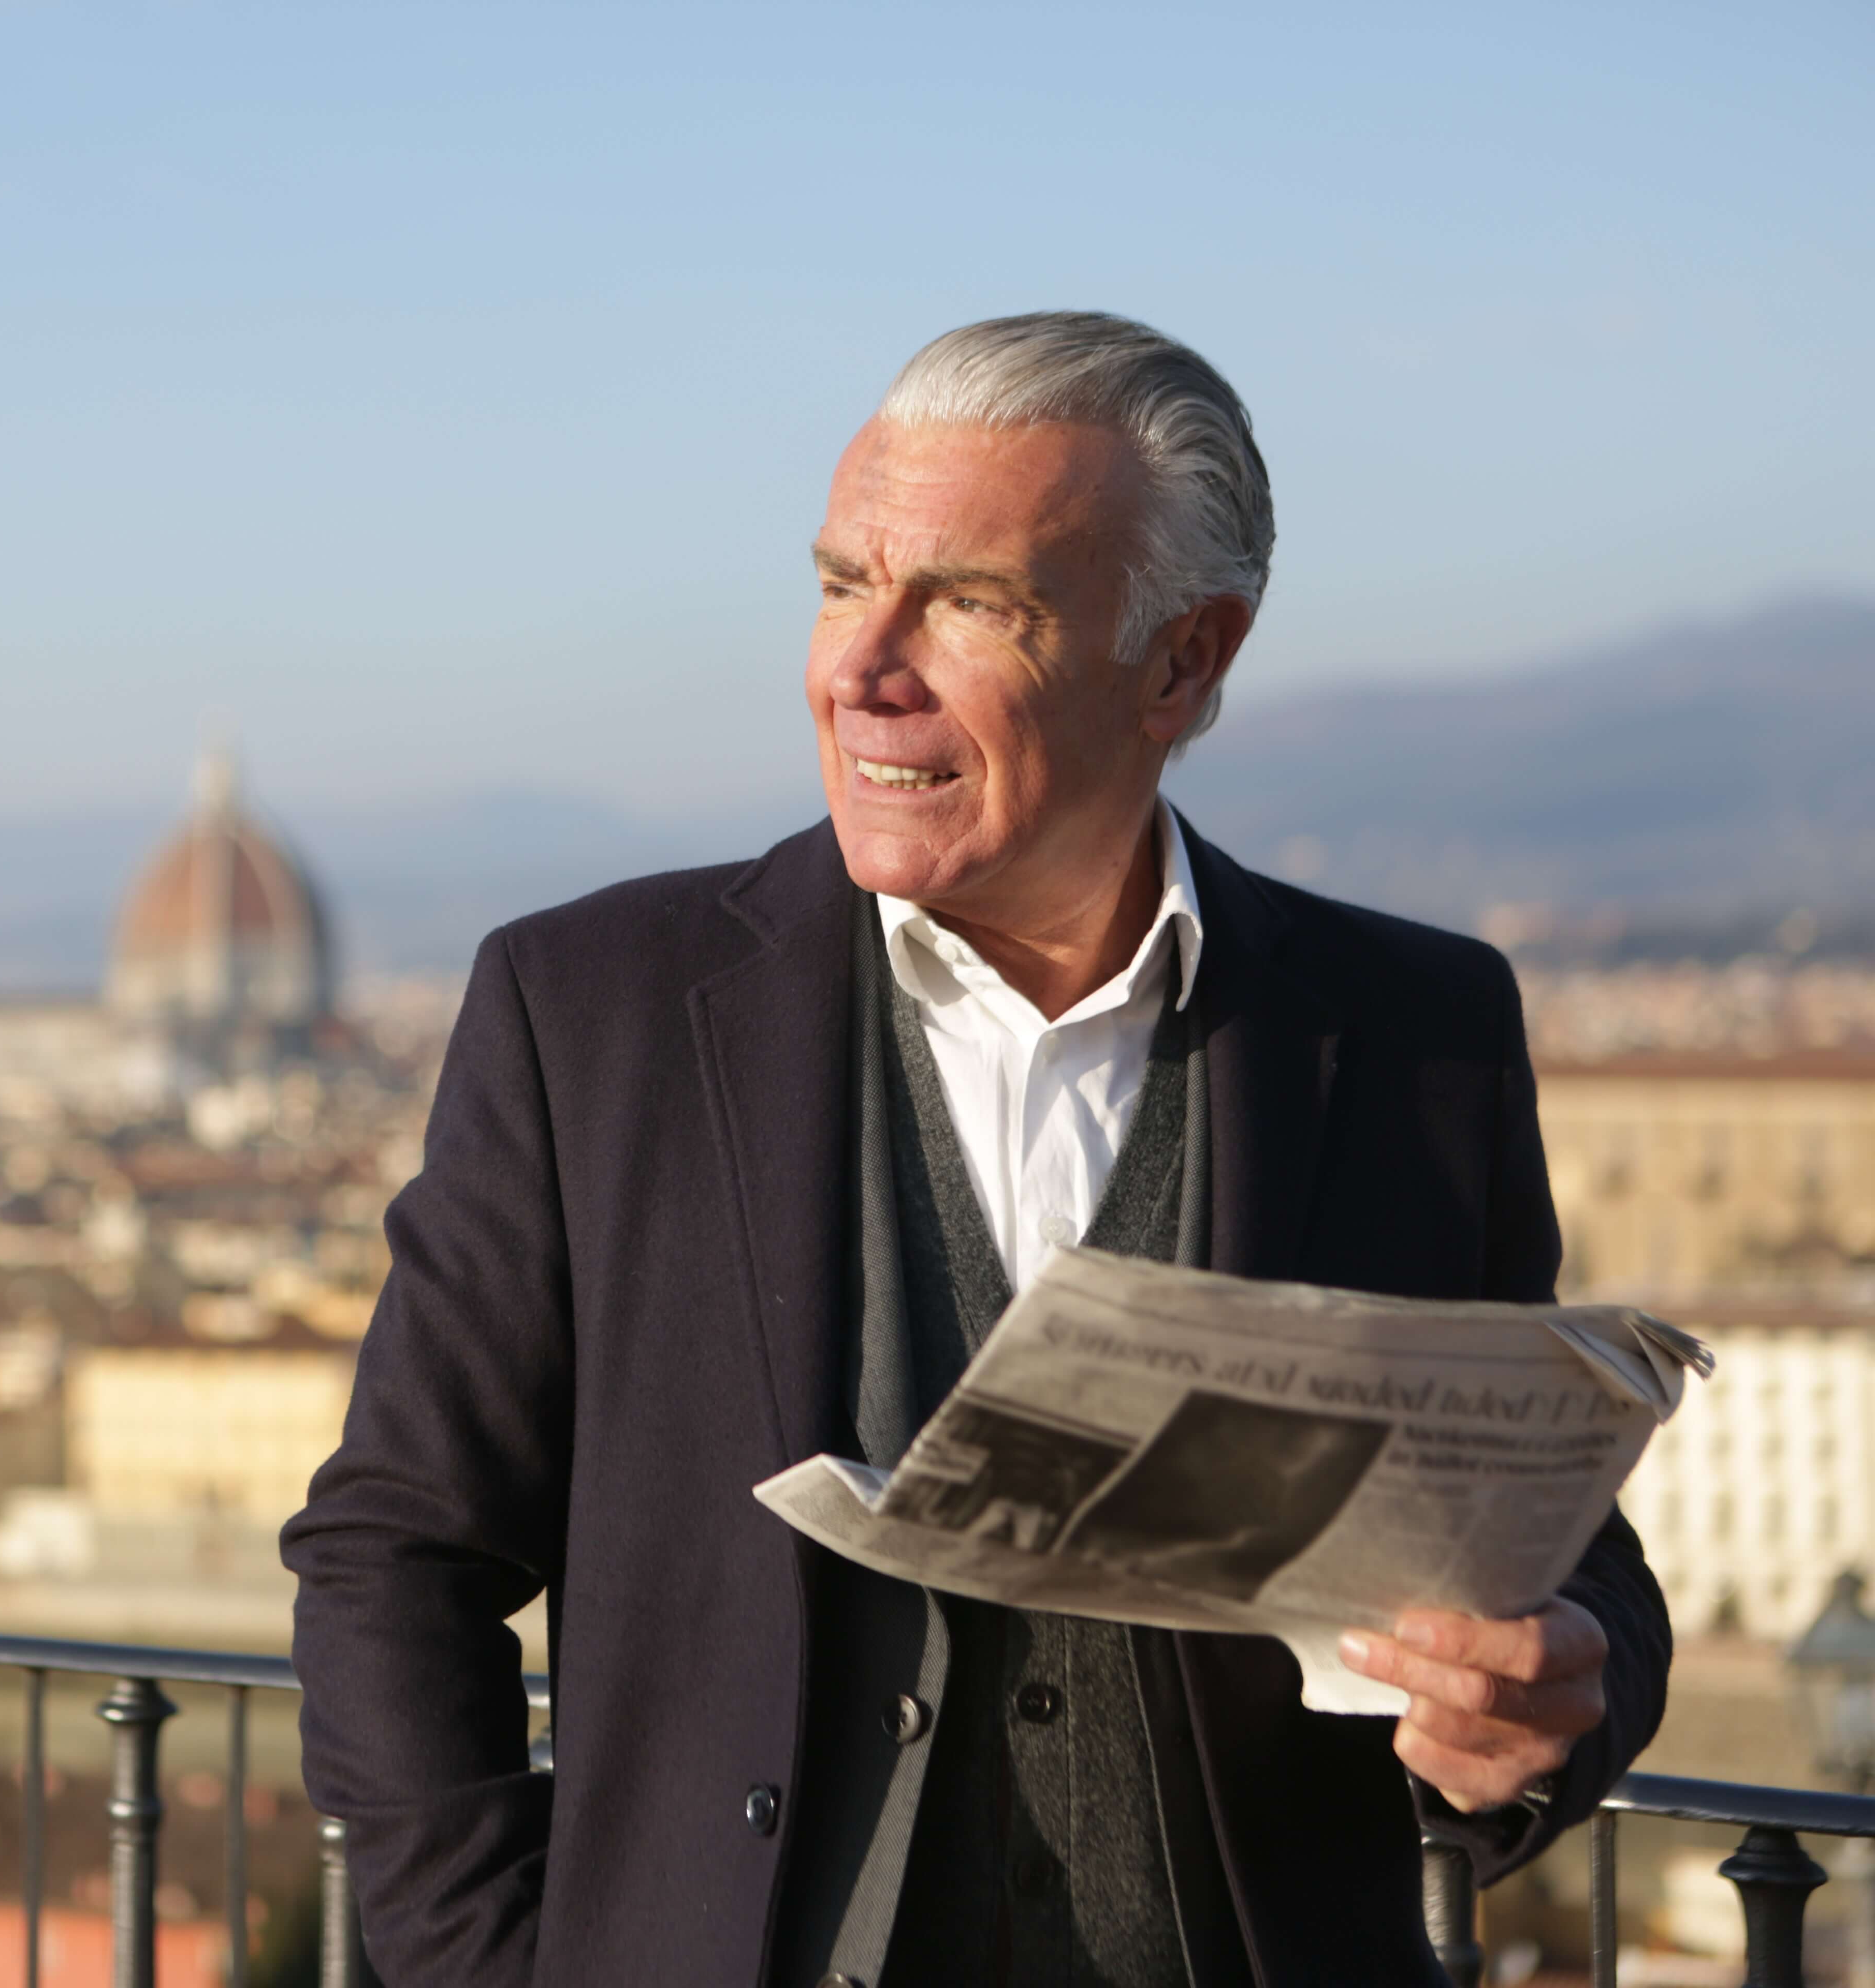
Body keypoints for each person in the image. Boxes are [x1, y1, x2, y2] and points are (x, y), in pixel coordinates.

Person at [280, 311, 1667, 1986]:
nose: (863, 667)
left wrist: (1555, 1690)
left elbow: (1553, 1535)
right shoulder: (592, 1012)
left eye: (971, 605)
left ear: (1184, 661)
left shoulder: (1414, 1034)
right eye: (843, 580)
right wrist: (499, 1963)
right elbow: (397, 1551)